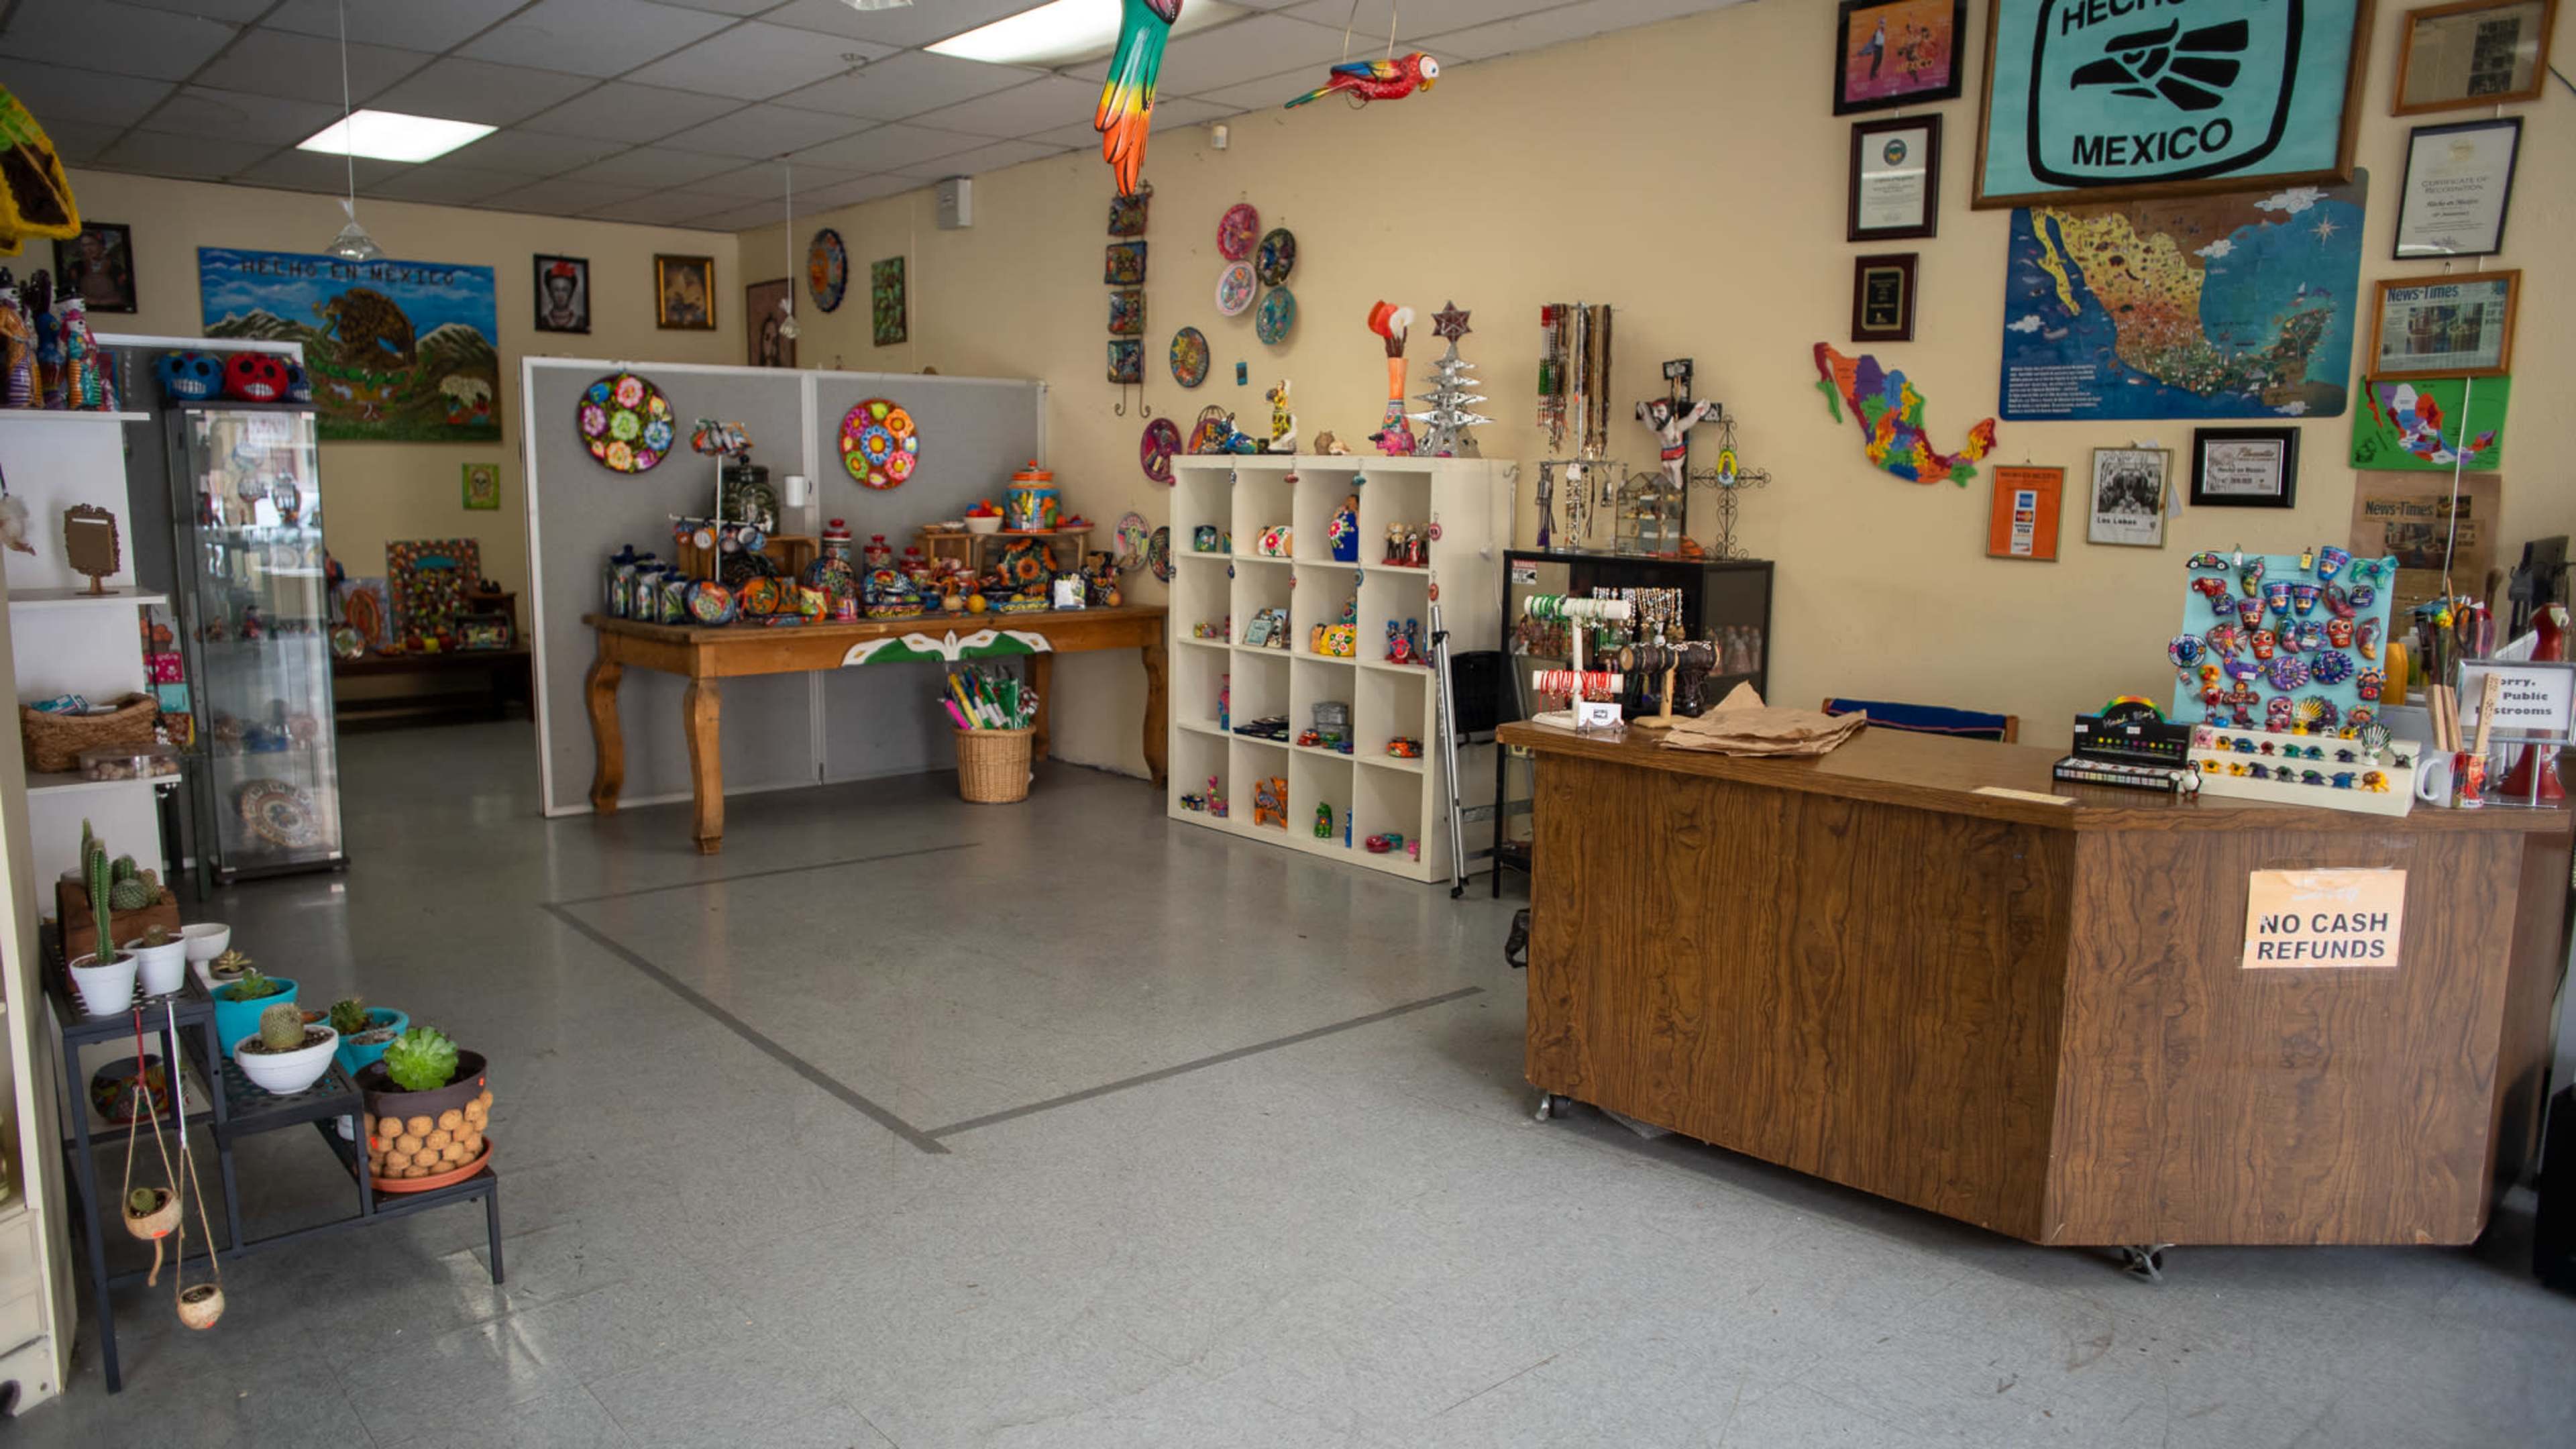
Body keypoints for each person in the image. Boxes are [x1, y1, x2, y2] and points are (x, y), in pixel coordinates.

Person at [540, 260, 583, 331]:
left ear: (571, 293)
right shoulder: (542, 322)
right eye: (556, 290)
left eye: (565, 290)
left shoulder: (581, 322)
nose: (561, 295)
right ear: (550, 293)